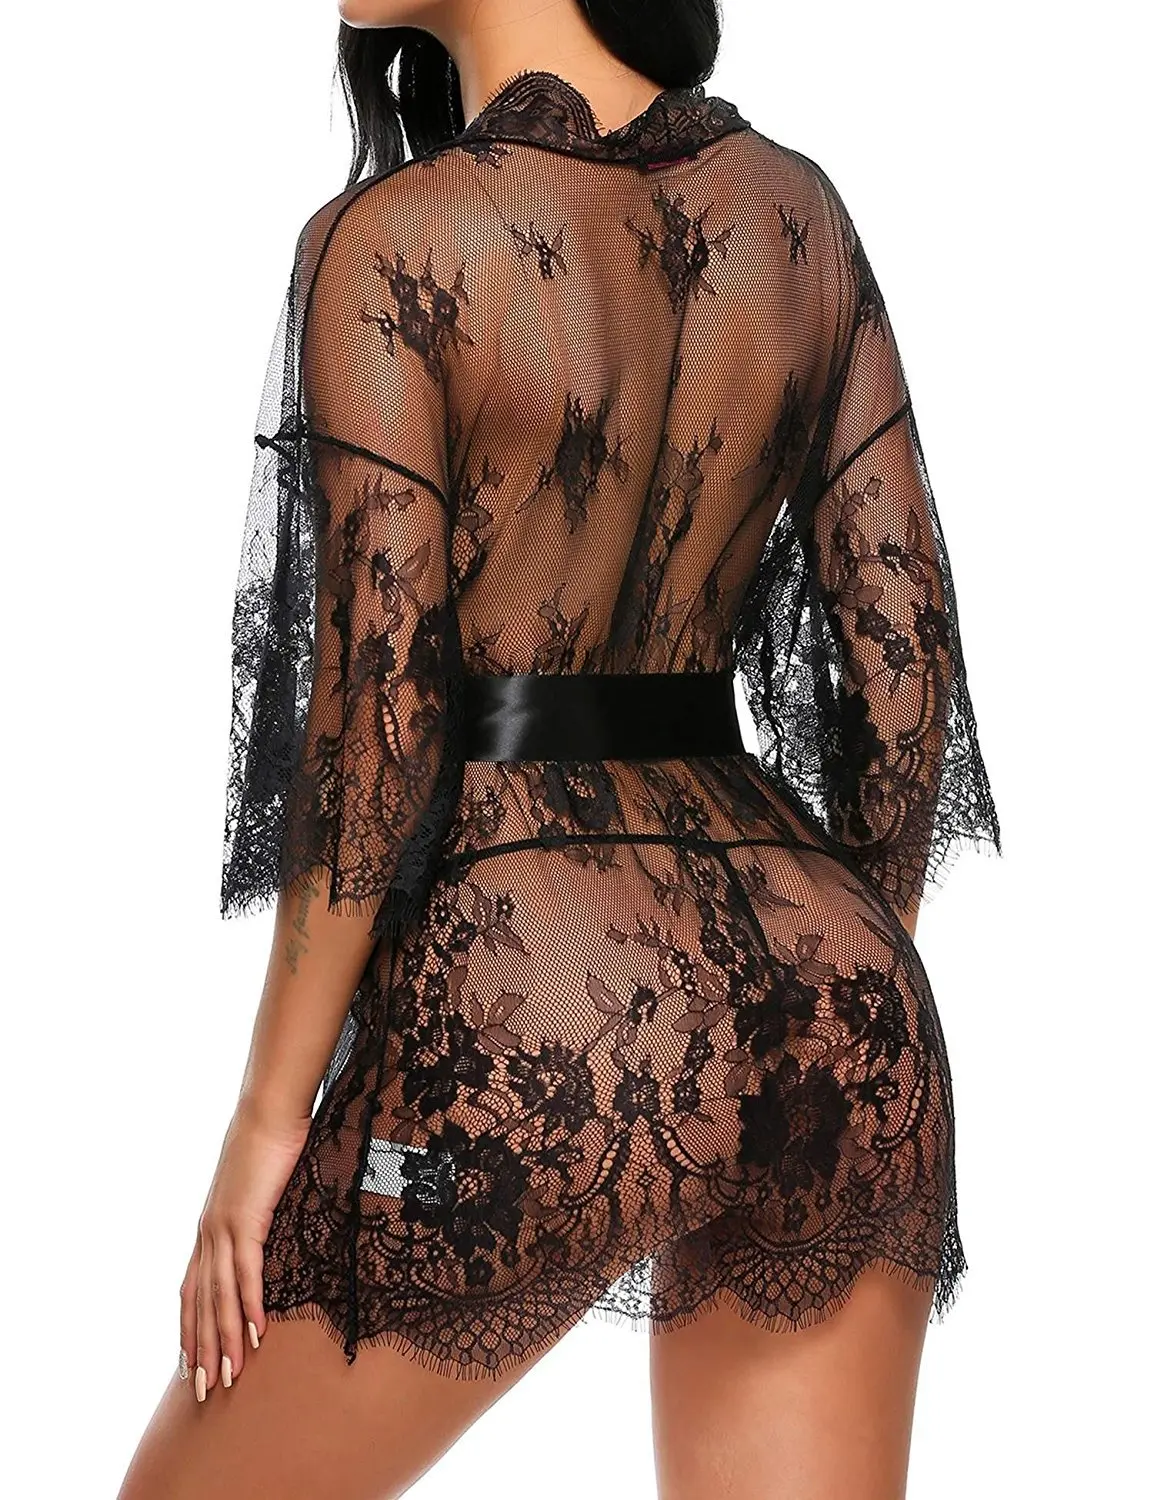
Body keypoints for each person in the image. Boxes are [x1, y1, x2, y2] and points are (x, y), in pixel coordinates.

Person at [118, 2, 1001, 1496]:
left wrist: (266, 1133)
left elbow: (378, 730)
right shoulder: (795, 216)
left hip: (538, 1002)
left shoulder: (396, 243)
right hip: (837, 1000)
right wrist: (816, 1018)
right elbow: (903, 665)